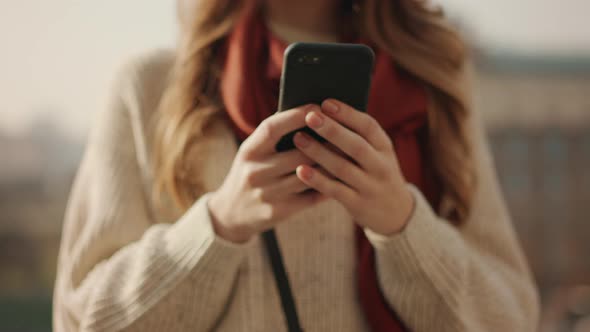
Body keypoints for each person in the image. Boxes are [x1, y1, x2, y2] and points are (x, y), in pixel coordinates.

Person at [52, 0, 541, 331]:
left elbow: (512, 318)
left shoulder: (435, 82)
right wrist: (220, 225)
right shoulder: (150, 87)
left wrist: (404, 225)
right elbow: (79, 319)